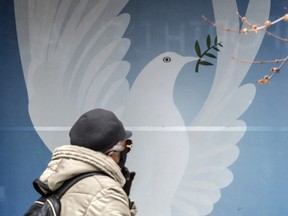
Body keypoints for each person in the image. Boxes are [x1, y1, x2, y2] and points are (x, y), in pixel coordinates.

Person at [36, 108, 137, 215]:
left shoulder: (61, 181)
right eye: (126, 146)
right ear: (111, 153)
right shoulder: (106, 193)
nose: (126, 151)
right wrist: (116, 200)